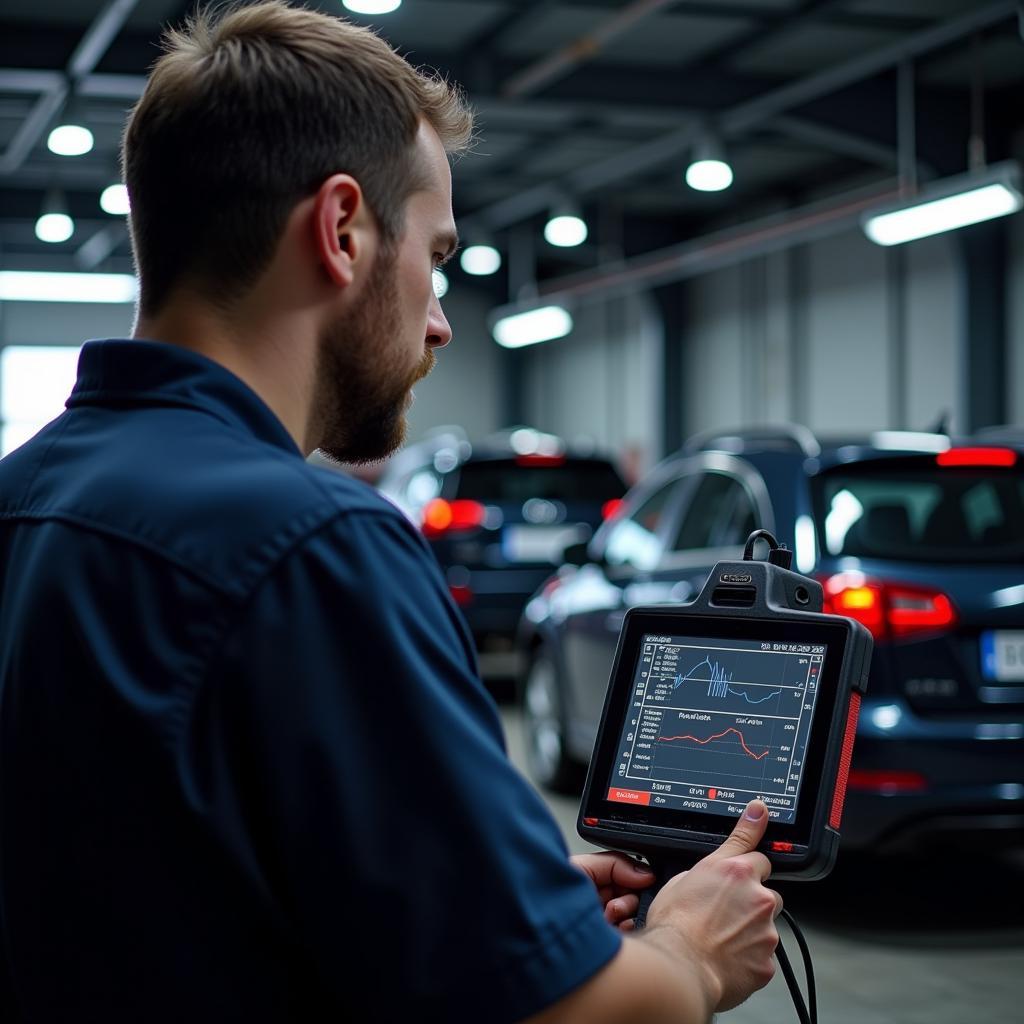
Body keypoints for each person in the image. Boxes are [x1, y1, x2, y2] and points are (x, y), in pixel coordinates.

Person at [0, 3, 781, 1021]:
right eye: (439, 256)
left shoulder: (23, 501)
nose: (443, 319)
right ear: (341, 230)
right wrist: (687, 953)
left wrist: (503, 910)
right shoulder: (313, 547)